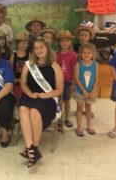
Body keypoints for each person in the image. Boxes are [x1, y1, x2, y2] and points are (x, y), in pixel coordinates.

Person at [19, 37, 63, 168]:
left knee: (34, 111)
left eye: (41, 47)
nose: (39, 50)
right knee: (23, 109)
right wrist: (30, 94)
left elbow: (59, 89)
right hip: (30, 95)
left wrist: (47, 95)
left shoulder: (55, 66)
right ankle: (31, 148)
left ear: (47, 48)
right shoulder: (29, 64)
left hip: (48, 98)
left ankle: (34, 148)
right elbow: (23, 83)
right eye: (36, 48)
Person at [73, 43, 99, 137]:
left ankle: (89, 126)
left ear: (93, 54)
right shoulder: (78, 64)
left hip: (90, 92)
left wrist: (92, 91)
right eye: (84, 53)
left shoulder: (95, 64)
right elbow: (76, 79)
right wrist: (84, 91)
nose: (87, 55)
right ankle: (79, 126)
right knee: (79, 109)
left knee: (88, 109)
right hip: (80, 92)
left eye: (89, 53)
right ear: (80, 54)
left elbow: (96, 78)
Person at [56, 30, 77, 128]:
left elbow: (74, 69)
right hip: (57, 81)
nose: (65, 43)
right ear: (59, 42)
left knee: (67, 100)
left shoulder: (73, 55)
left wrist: (73, 83)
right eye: (62, 41)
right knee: (58, 101)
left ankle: (67, 118)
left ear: (70, 42)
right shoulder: (55, 54)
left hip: (68, 81)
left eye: (67, 41)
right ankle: (59, 118)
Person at [10, 31, 31, 102]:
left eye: (27, 43)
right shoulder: (13, 55)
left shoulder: (30, 55)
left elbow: (32, 70)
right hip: (16, 82)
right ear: (17, 44)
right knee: (17, 99)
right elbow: (11, 69)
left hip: (27, 82)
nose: (25, 45)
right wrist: (15, 79)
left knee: (26, 99)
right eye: (23, 43)